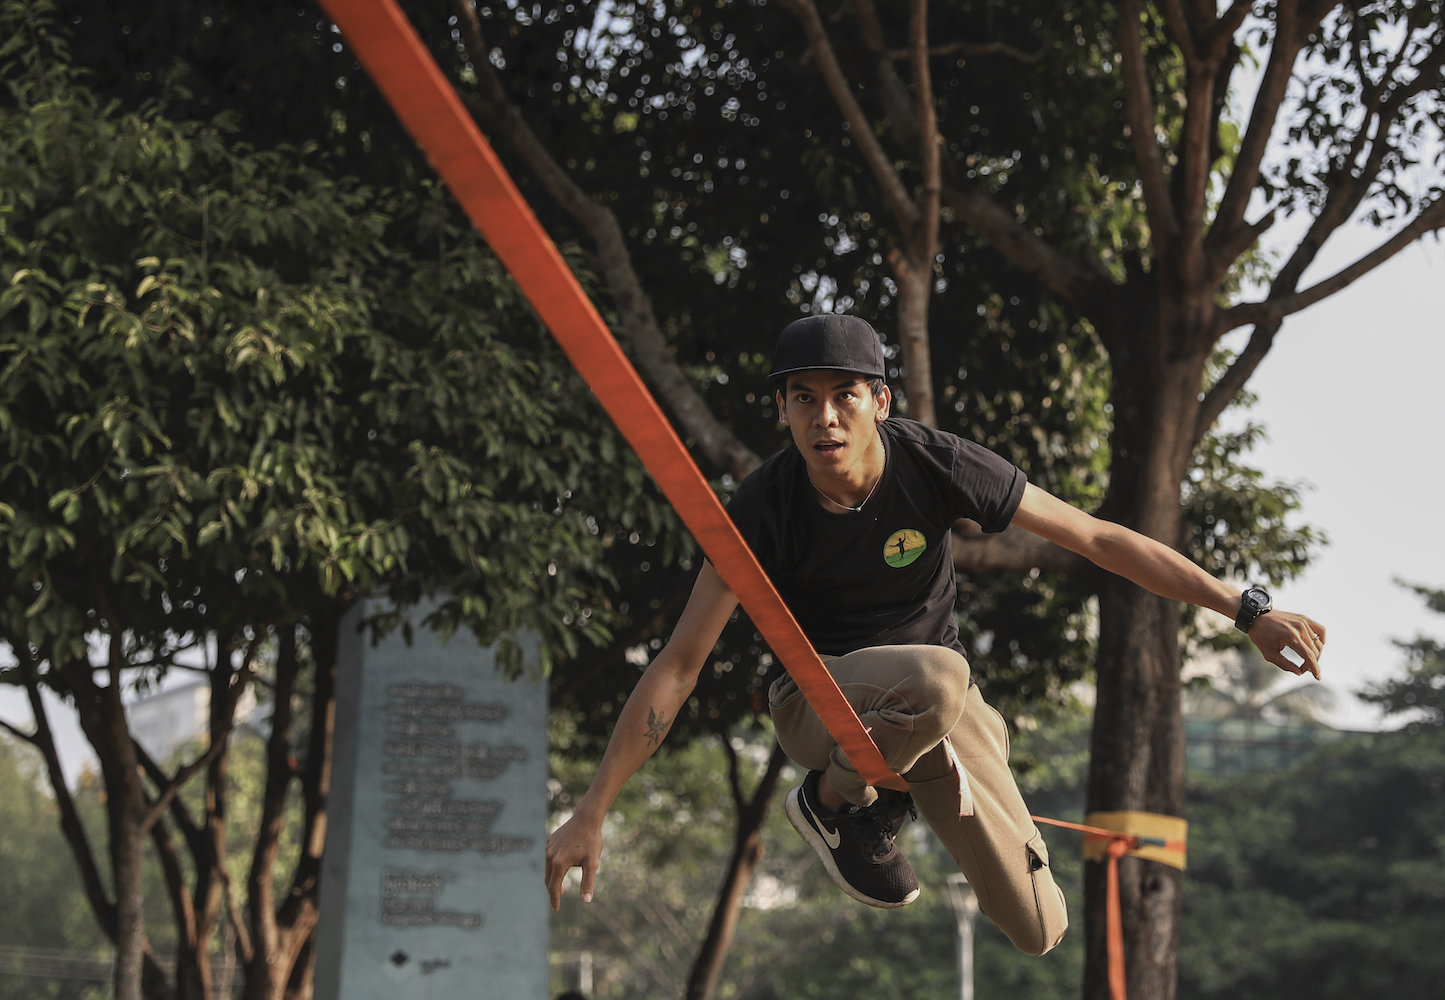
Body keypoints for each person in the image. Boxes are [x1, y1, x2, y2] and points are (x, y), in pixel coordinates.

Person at [545, 315, 1326, 954]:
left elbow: (1093, 537)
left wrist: (1245, 608)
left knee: (1040, 925)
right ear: (780, 410)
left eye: (844, 396)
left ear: (880, 401)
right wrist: (593, 807)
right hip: (815, 700)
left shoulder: (936, 464)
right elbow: (679, 665)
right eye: (803, 399)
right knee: (939, 681)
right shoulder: (758, 511)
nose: (825, 419)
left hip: (930, 707)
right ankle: (834, 797)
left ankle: (871, 789)